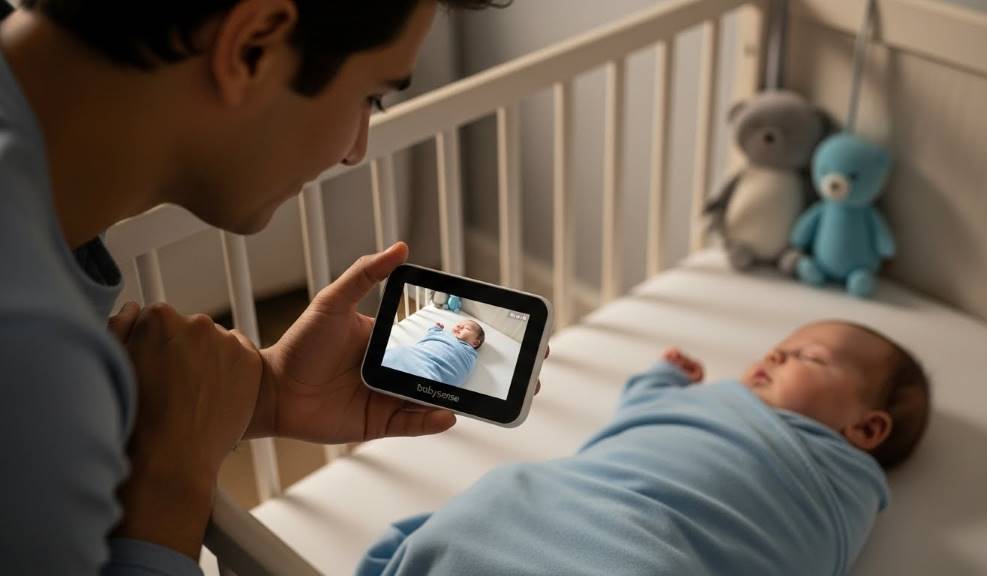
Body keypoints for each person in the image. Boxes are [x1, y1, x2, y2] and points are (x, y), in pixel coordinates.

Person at [0, 0, 507, 573]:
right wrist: (172, 480)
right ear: (254, 47)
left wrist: (262, 393)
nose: (355, 149)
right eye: (372, 96)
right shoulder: (30, 347)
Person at [357, 320, 931, 576]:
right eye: (779, 346)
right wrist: (659, 382)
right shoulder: (710, 401)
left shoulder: (842, 485)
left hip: (654, 554)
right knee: (495, 504)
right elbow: (639, 424)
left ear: (867, 430)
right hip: (554, 504)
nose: (777, 355)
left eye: (809, 357)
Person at [384, 320, 485, 387]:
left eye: (466, 328)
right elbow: (431, 335)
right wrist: (435, 329)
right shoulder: (442, 335)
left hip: (431, 371)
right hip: (414, 355)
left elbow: (462, 370)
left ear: (475, 343)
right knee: (399, 353)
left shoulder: (469, 354)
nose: (459, 327)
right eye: (458, 325)